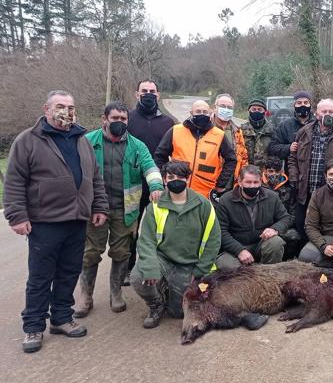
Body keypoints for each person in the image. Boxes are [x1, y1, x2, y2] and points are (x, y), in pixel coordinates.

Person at [3, 90, 108, 353]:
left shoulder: (81, 140)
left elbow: (95, 178)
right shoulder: (28, 140)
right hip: (45, 221)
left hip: (76, 220)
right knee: (40, 277)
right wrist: (17, 215)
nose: (67, 112)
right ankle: (33, 326)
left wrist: (99, 206)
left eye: (71, 107)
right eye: (61, 106)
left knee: (69, 272)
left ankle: (61, 318)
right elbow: (15, 181)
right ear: (46, 109)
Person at [74, 101, 164, 318]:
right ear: (104, 119)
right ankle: (85, 296)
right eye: (115, 118)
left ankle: (116, 293)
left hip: (126, 210)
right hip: (95, 209)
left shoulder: (137, 146)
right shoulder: (87, 142)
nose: (119, 122)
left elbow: (150, 167)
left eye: (123, 119)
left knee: (121, 253)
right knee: (90, 253)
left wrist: (156, 186)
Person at [131, 160, 221, 329]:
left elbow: (213, 240)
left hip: (190, 264)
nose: (176, 180)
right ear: (164, 180)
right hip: (163, 259)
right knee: (138, 276)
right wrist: (150, 267)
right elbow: (146, 241)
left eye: (181, 177)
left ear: (188, 179)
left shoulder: (204, 205)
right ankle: (156, 304)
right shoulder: (155, 207)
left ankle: (168, 291)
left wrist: (201, 270)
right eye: (170, 177)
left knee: (177, 313)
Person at [126, 79, 176, 284]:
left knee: (161, 227)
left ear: (158, 95)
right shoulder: (127, 118)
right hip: (132, 183)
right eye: (144, 91)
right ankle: (127, 268)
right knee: (131, 227)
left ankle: (161, 267)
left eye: (152, 91)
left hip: (159, 184)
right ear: (137, 94)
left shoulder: (168, 122)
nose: (148, 94)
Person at [288, 98, 333, 238]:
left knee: (328, 225)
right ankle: (303, 256)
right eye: (324, 111)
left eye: (330, 111)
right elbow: (292, 158)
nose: (327, 114)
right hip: (305, 189)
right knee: (304, 224)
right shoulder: (304, 132)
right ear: (316, 113)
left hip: (330, 190)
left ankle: (327, 252)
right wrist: (294, 178)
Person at [154, 100, 237, 200]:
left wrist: (221, 183)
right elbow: (160, 155)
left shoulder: (219, 135)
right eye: (198, 111)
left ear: (210, 113)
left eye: (205, 112)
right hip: (177, 189)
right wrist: (166, 178)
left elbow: (231, 159)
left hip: (206, 193)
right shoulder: (176, 130)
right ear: (191, 113)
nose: (202, 114)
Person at [215, 165, 290, 270]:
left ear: (260, 181)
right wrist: (239, 250)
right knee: (226, 265)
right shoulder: (225, 200)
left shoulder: (272, 197)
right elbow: (221, 231)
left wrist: (275, 229)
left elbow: (285, 218)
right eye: (248, 182)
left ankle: (269, 278)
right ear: (240, 182)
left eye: (256, 182)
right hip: (236, 246)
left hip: (261, 243)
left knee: (276, 242)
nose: (252, 186)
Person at [260, 156, 301, 259]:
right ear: (265, 171)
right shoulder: (258, 187)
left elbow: (292, 214)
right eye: (271, 171)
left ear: (282, 171)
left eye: (277, 171)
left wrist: (278, 228)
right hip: (261, 226)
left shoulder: (289, 189)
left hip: (282, 225)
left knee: (294, 236)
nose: (274, 174)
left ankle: (285, 259)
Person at [267, 90, 316, 164]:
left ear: (310, 105)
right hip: (291, 170)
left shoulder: (317, 124)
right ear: (294, 106)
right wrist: (289, 148)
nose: (303, 105)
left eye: (306, 103)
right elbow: (272, 148)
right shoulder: (285, 125)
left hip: (314, 169)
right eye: (299, 103)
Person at [213, 93, 248, 189]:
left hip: (232, 182)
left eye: (229, 107)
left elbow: (243, 157)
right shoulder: (206, 128)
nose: (226, 109)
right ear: (215, 107)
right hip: (211, 181)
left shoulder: (237, 131)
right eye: (223, 106)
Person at [241, 98, 275, 166]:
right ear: (249, 111)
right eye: (253, 109)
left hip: (266, 171)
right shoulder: (241, 130)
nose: (256, 112)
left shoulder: (272, 130)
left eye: (260, 110)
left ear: (265, 112)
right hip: (246, 172)